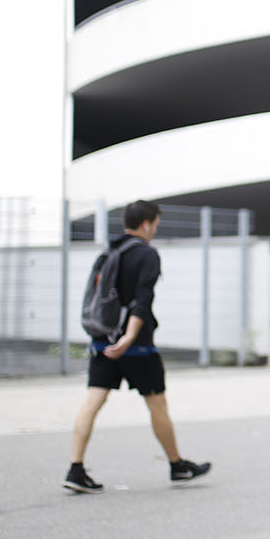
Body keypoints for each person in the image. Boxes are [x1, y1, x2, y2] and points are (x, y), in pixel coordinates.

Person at [64, 201, 211, 493]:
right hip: (136, 346)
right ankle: (177, 465)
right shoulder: (146, 254)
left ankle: (75, 468)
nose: (155, 229)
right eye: (155, 224)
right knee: (157, 402)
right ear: (146, 223)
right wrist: (130, 337)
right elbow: (141, 300)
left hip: (102, 342)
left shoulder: (109, 251)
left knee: (93, 400)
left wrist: (113, 338)